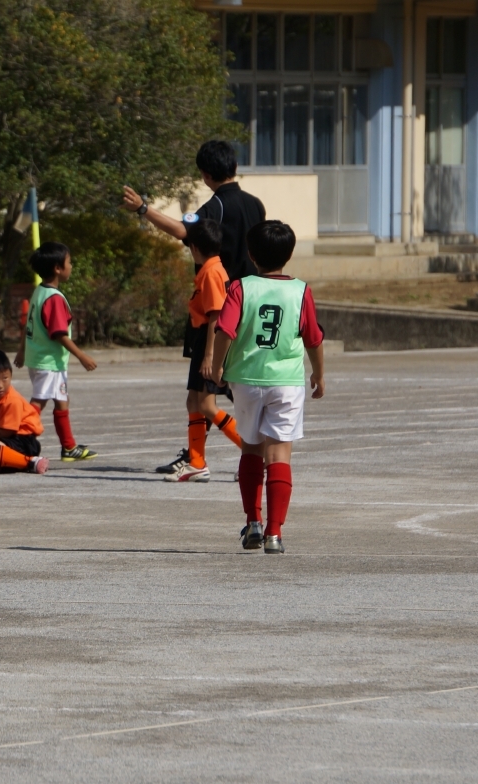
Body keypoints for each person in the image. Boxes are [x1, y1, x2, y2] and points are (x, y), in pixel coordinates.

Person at [209, 221, 325, 554]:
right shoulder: (300, 290)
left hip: (246, 379)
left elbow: (225, 331)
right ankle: (275, 533)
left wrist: (217, 367)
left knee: (251, 448)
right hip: (286, 381)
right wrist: (319, 374)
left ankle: (253, 522)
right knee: (279, 454)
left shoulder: (241, 287)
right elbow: (313, 338)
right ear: (289, 255)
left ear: (251, 254)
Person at [163, 219, 243, 483]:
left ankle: (254, 451)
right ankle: (197, 462)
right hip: (202, 342)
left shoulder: (211, 272)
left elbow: (216, 315)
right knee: (194, 402)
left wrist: (209, 355)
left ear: (194, 248)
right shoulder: (212, 268)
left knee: (207, 405)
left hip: (210, 342)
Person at [121, 140, 266, 283]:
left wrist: (142, 208)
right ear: (236, 166)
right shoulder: (256, 204)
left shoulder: (216, 206)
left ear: (205, 175)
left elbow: (181, 230)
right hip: (255, 290)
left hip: (226, 292)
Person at [12, 242, 98, 461]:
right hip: (48, 362)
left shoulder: (39, 292)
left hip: (41, 359)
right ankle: (18, 440)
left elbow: (29, 325)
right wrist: (82, 356)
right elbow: (59, 334)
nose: (71, 266)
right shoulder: (54, 298)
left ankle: (68, 447)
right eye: (69, 262)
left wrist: (22, 351)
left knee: (61, 400)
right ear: (58, 268)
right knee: (39, 401)